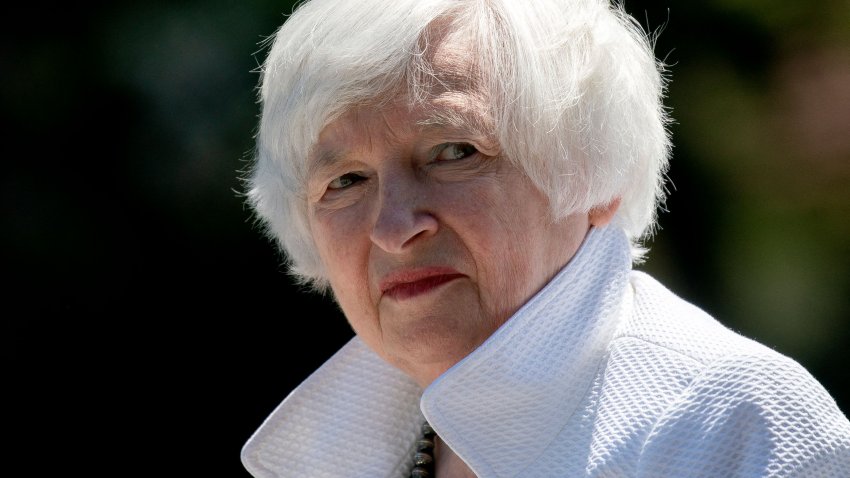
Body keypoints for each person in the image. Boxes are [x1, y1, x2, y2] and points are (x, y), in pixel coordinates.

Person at [239, 0, 850, 476]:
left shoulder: (733, 426)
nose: (396, 230)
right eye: (344, 180)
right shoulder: (337, 452)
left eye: (455, 151)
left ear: (594, 174)